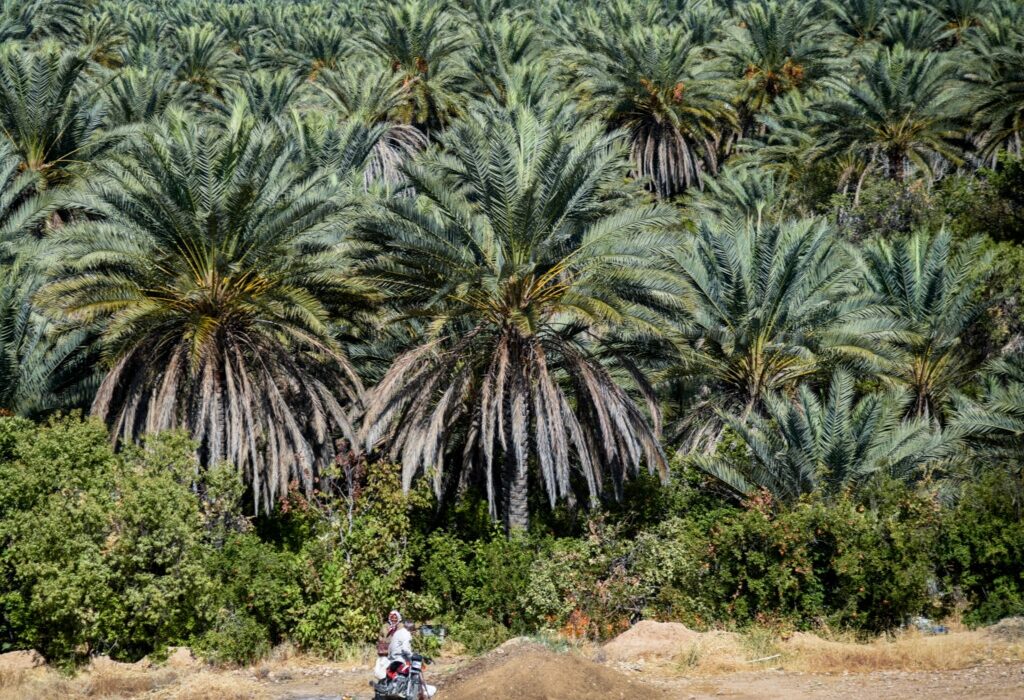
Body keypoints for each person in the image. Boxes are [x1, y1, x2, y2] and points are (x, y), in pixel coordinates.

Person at [374, 609, 437, 698]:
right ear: (411, 629)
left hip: (392, 656)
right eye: (392, 618)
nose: (393, 620)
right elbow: (405, 648)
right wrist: (412, 655)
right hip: (398, 657)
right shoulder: (406, 633)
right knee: (415, 669)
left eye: (395, 618)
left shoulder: (399, 631)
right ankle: (418, 690)